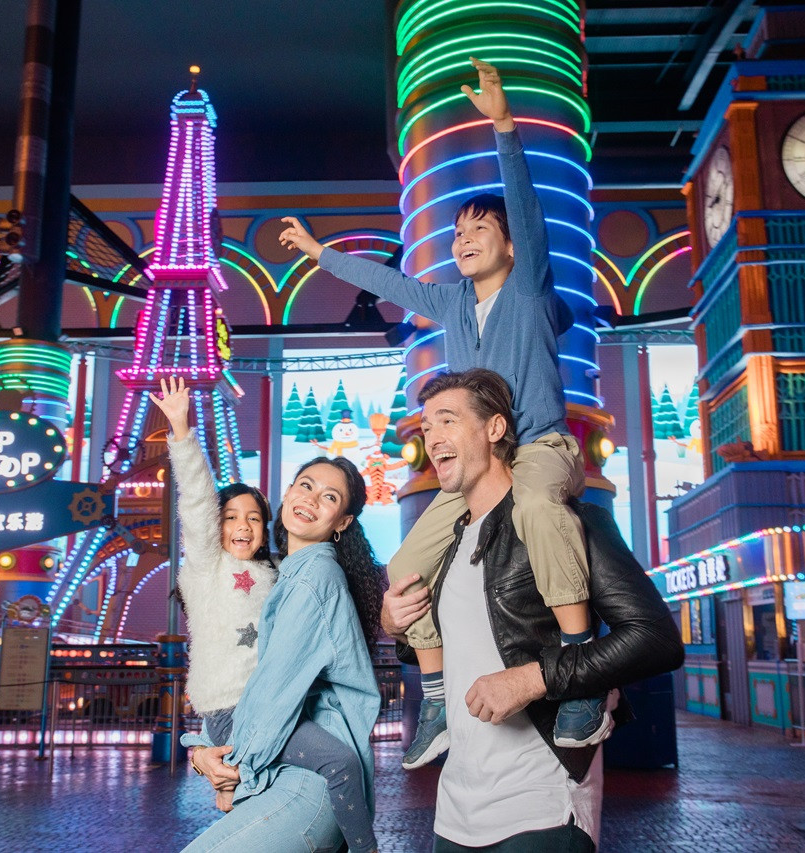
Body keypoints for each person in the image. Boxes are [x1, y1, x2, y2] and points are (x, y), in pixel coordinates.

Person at [279, 57, 603, 769]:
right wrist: (320, 254)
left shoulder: (529, 287)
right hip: (477, 469)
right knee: (406, 565)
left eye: (479, 229)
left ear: (511, 245)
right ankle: (433, 694)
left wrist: (504, 126)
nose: (463, 239)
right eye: (457, 232)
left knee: (541, 506)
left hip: (538, 449)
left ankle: (582, 669)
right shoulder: (451, 302)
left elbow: (526, 206)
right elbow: (388, 279)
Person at [382, 369, 685, 851]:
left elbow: (656, 639)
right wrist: (393, 624)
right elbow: (462, 642)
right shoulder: (445, 546)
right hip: (456, 807)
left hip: (542, 804)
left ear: (494, 428)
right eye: (426, 426)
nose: (432, 436)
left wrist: (533, 679)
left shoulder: (571, 521)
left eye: (448, 420)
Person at [150, 378, 383, 853]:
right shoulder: (211, 568)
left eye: (253, 518)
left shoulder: (290, 576)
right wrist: (181, 431)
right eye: (229, 517)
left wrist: (229, 762)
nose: (242, 526)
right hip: (243, 720)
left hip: (273, 740)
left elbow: (280, 678)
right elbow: (196, 501)